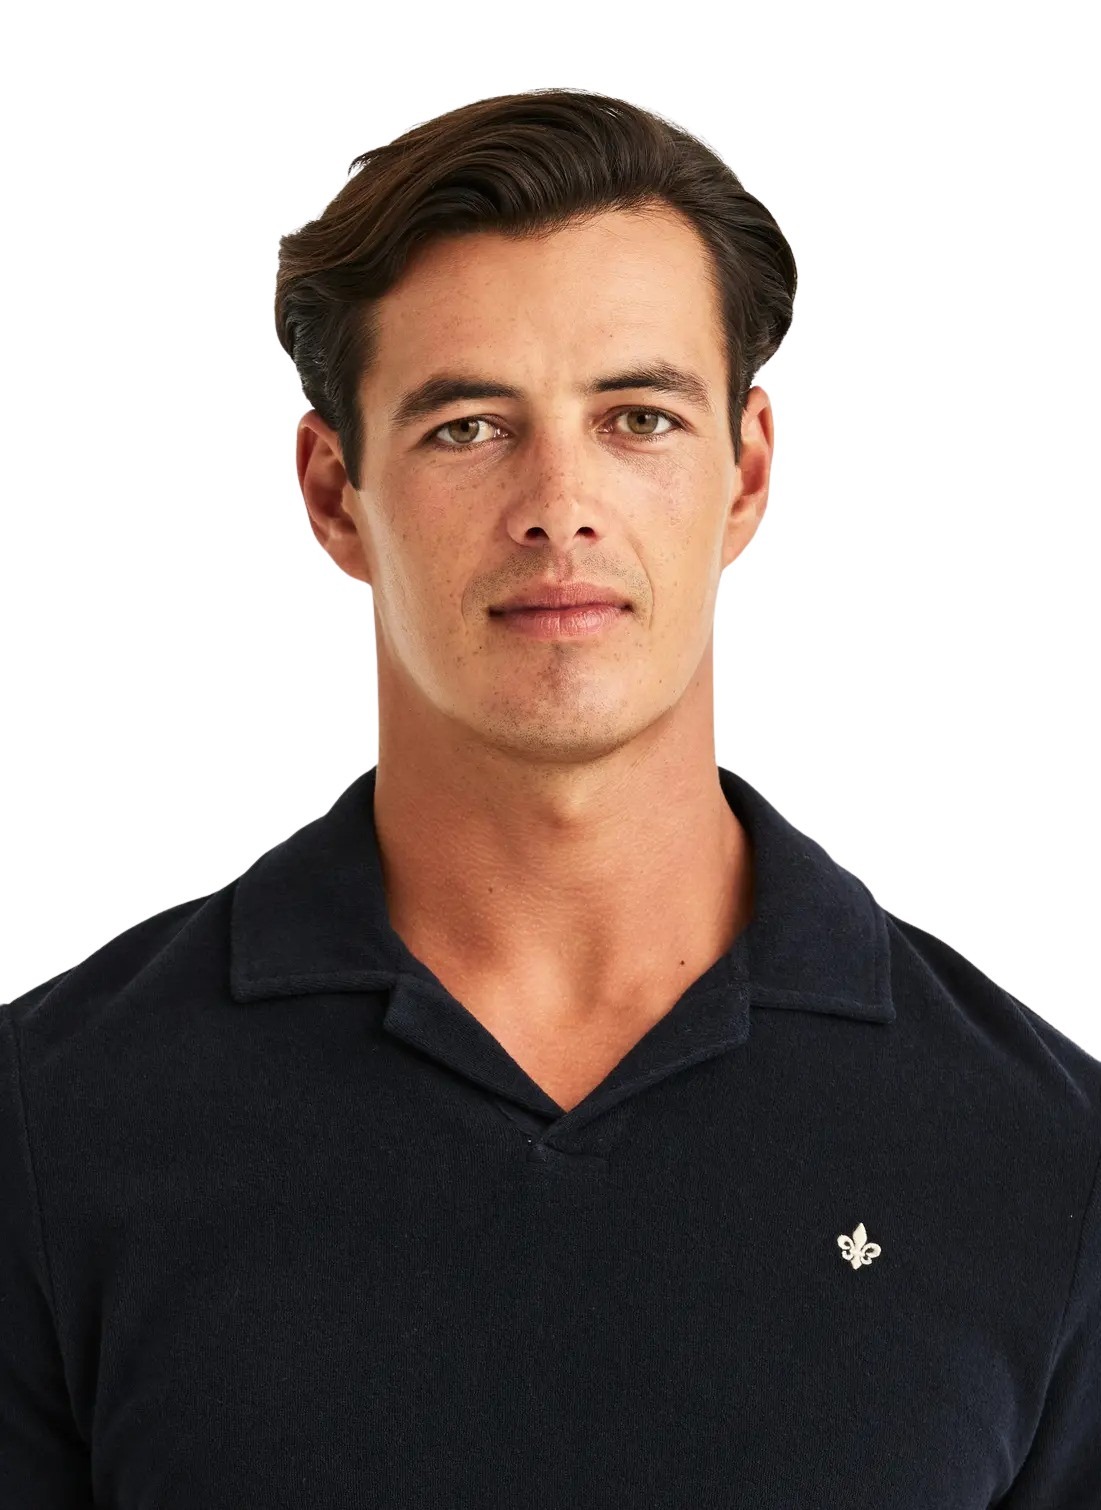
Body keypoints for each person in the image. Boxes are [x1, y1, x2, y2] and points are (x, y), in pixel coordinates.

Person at [2, 87, 1098, 1508]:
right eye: (467, 427)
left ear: (745, 471)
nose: (558, 503)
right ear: (334, 491)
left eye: (638, 417)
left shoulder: (1043, 1160)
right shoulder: (50, 1127)